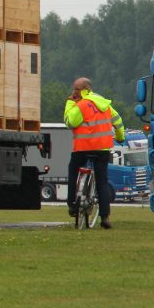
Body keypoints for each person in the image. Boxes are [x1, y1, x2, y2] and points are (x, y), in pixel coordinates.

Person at [64, 77, 125, 229]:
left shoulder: (81, 105)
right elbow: (118, 122)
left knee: (73, 171)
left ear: (84, 90)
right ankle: (105, 217)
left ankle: (72, 204)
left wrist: (70, 102)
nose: (74, 91)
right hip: (102, 149)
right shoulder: (105, 104)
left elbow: (70, 122)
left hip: (83, 148)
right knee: (102, 182)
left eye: (76, 89)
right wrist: (120, 137)